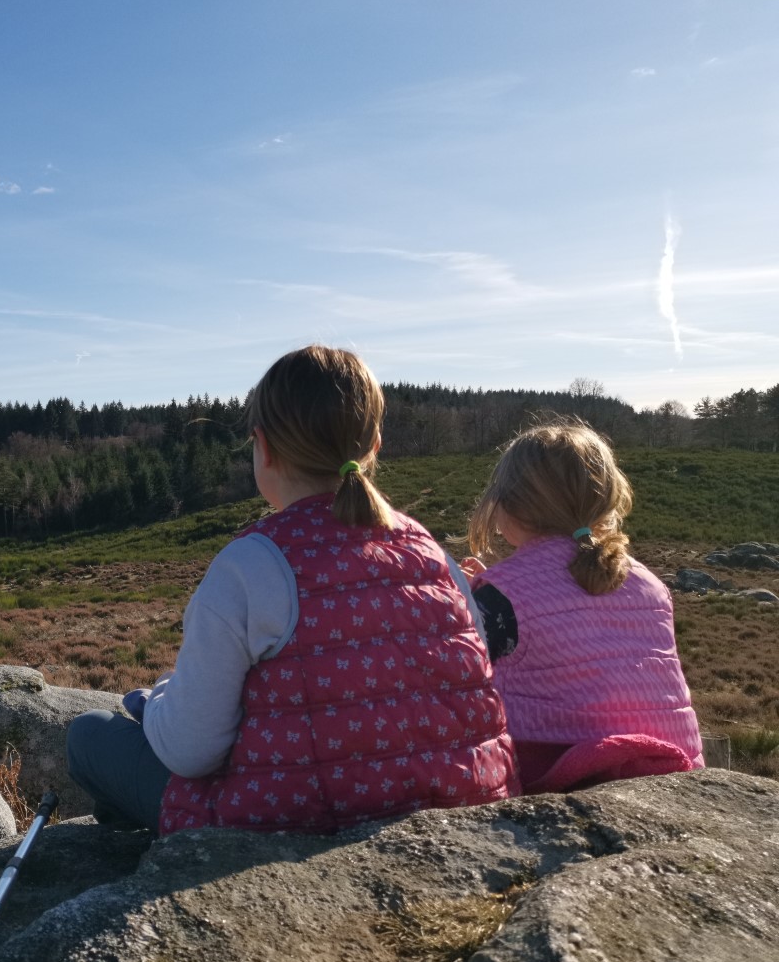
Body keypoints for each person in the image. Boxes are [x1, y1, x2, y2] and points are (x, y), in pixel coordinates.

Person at [66, 345, 518, 834]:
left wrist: (158, 699)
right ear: (375, 446)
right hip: (465, 809)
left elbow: (189, 751)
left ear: (263, 446)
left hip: (287, 826)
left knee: (90, 735)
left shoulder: (251, 563)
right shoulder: (433, 554)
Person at [461, 420, 703, 791]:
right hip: (673, 774)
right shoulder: (651, 585)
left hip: (556, 778)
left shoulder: (501, 594)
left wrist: (470, 598)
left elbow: (461, 679)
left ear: (508, 505)